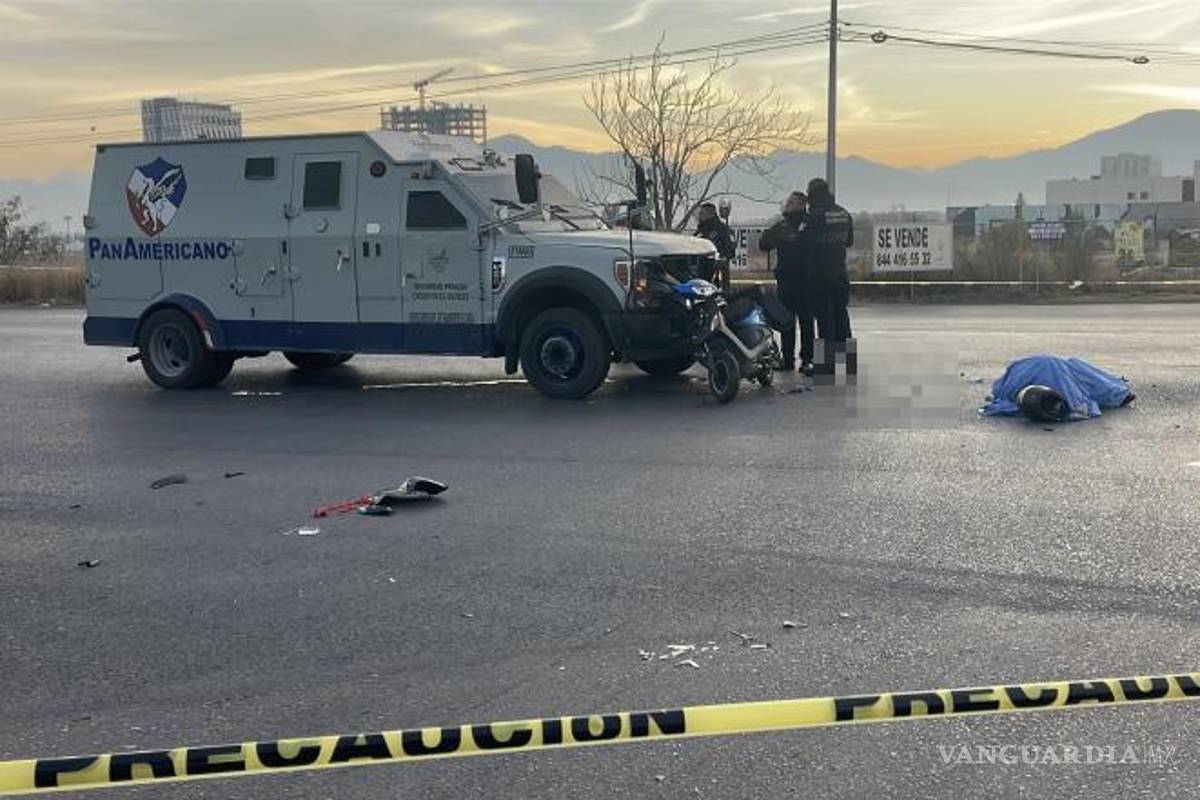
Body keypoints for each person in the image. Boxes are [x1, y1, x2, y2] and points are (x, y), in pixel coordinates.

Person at [799, 178, 854, 372]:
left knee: (824, 319)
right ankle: (846, 363)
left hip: (819, 274)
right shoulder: (843, 213)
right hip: (840, 271)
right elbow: (849, 241)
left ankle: (826, 366)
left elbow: (802, 243)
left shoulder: (814, 216)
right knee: (841, 316)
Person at [759, 191, 817, 374]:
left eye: (792, 202)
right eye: (788, 202)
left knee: (806, 321)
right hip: (786, 279)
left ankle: (808, 359)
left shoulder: (809, 223)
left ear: (801, 204)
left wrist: (790, 239)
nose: (788, 205)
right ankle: (787, 358)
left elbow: (808, 243)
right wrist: (781, 238)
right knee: (787, 321)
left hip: (805, 279)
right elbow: (764, 242)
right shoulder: (782, 225)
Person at [694, 202, 735, 288]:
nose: (700, 216)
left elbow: (729, 250)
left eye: (702, 213)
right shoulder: (701, 230)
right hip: (700, 268)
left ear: (710, 214)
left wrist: (721, 259)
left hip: (714, 269)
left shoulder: (721, 229)